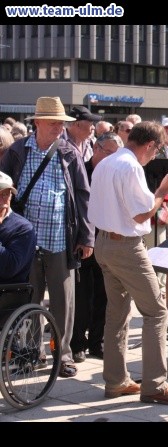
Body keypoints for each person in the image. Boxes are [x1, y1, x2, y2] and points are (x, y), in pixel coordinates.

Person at [89, 120, 168, 405]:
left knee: (117, 315)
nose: (154, 157)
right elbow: (143, 214)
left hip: (105, 242)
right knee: (156, 312)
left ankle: (116, 381)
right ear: (149, 145)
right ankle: (156, 385)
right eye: (156, 151)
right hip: (125, 246)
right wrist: (163, 189)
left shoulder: (108, 162)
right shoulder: (131, 165)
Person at [0, 96, 95, 379]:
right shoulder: (18, 150)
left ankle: (62, 353)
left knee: (63, 299)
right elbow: (4, 187)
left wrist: (86, 236)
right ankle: (30, 351)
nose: (58, 127)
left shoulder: (68, 152)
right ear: (37, 122)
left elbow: (82, 195)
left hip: (60, 238)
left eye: (61, 123)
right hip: (25, 239)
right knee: (29, 297)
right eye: (53, 122)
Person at [71, 132, 123, 363]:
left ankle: (97, 342)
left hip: (108, 240)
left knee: (104, 294)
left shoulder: (116, 172)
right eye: (110, 152)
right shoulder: (81, 169)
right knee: (82, 296)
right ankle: (77, 343)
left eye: (117, 154)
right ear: (97, 148)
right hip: (84, 239)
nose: (114, 157)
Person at [0, 171, 36, 284]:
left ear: (11, 196)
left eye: (5, 194)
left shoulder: (23, 228)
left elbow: (8, 268)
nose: (2, 200)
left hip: (6, 295)